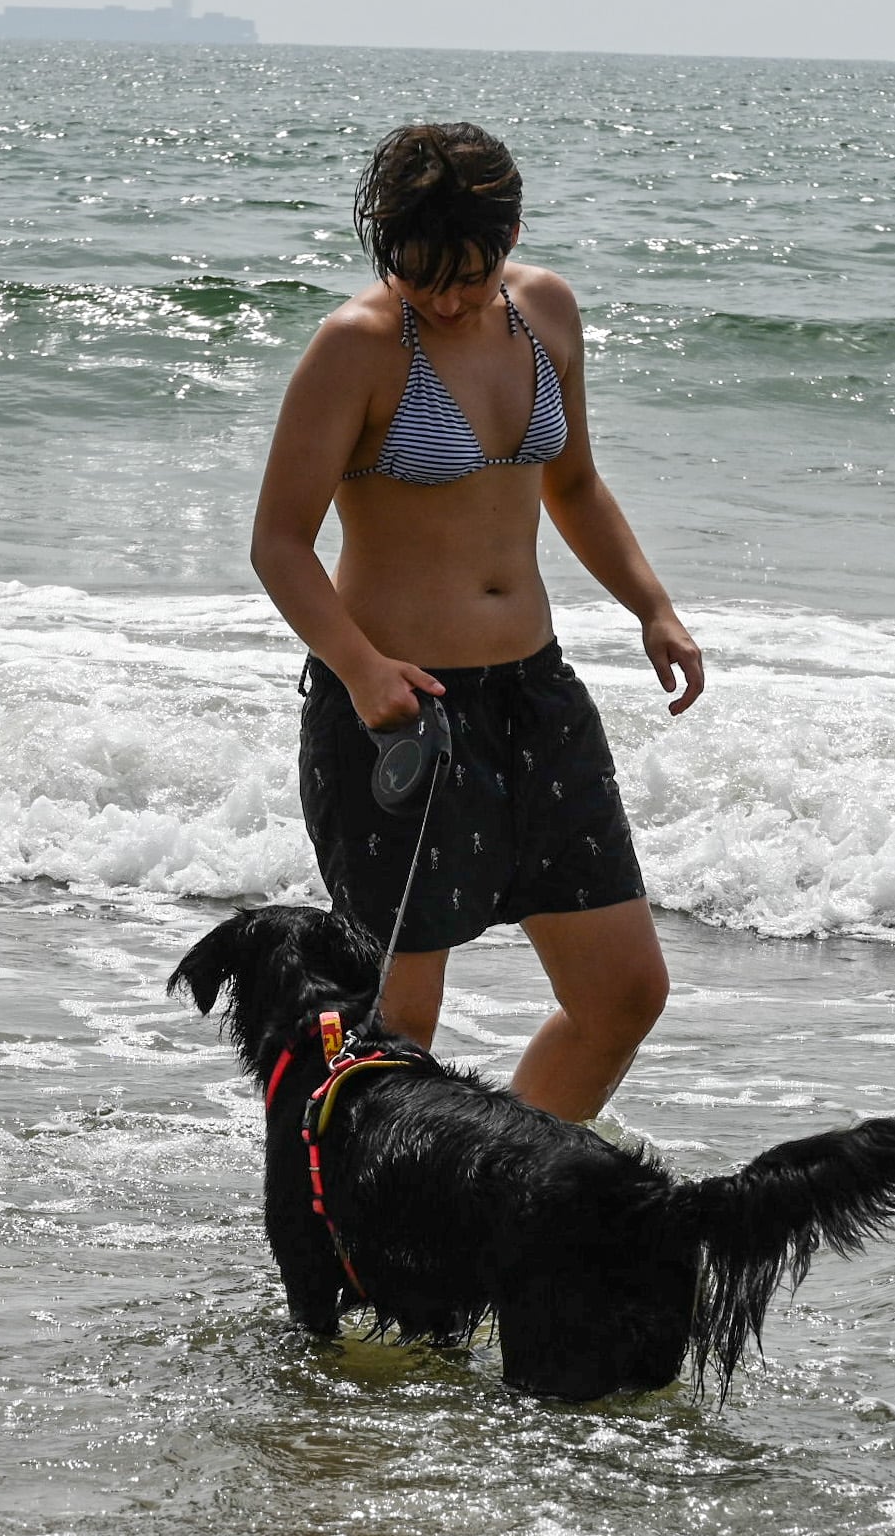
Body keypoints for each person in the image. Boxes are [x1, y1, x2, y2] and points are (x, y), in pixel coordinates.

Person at [248, 119, 704, 1138]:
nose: (447, 298)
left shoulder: (546, 312)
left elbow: (575, 484)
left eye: (468, 273)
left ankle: (493, 1195)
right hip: (403, 713)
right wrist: (361, 670)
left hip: (535, 698)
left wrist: (653, 607)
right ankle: (367, 1240)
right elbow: (280, 543)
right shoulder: (355, 348)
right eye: (422, 276)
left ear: (511, 237)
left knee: (624, 993)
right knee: (399, 1025)